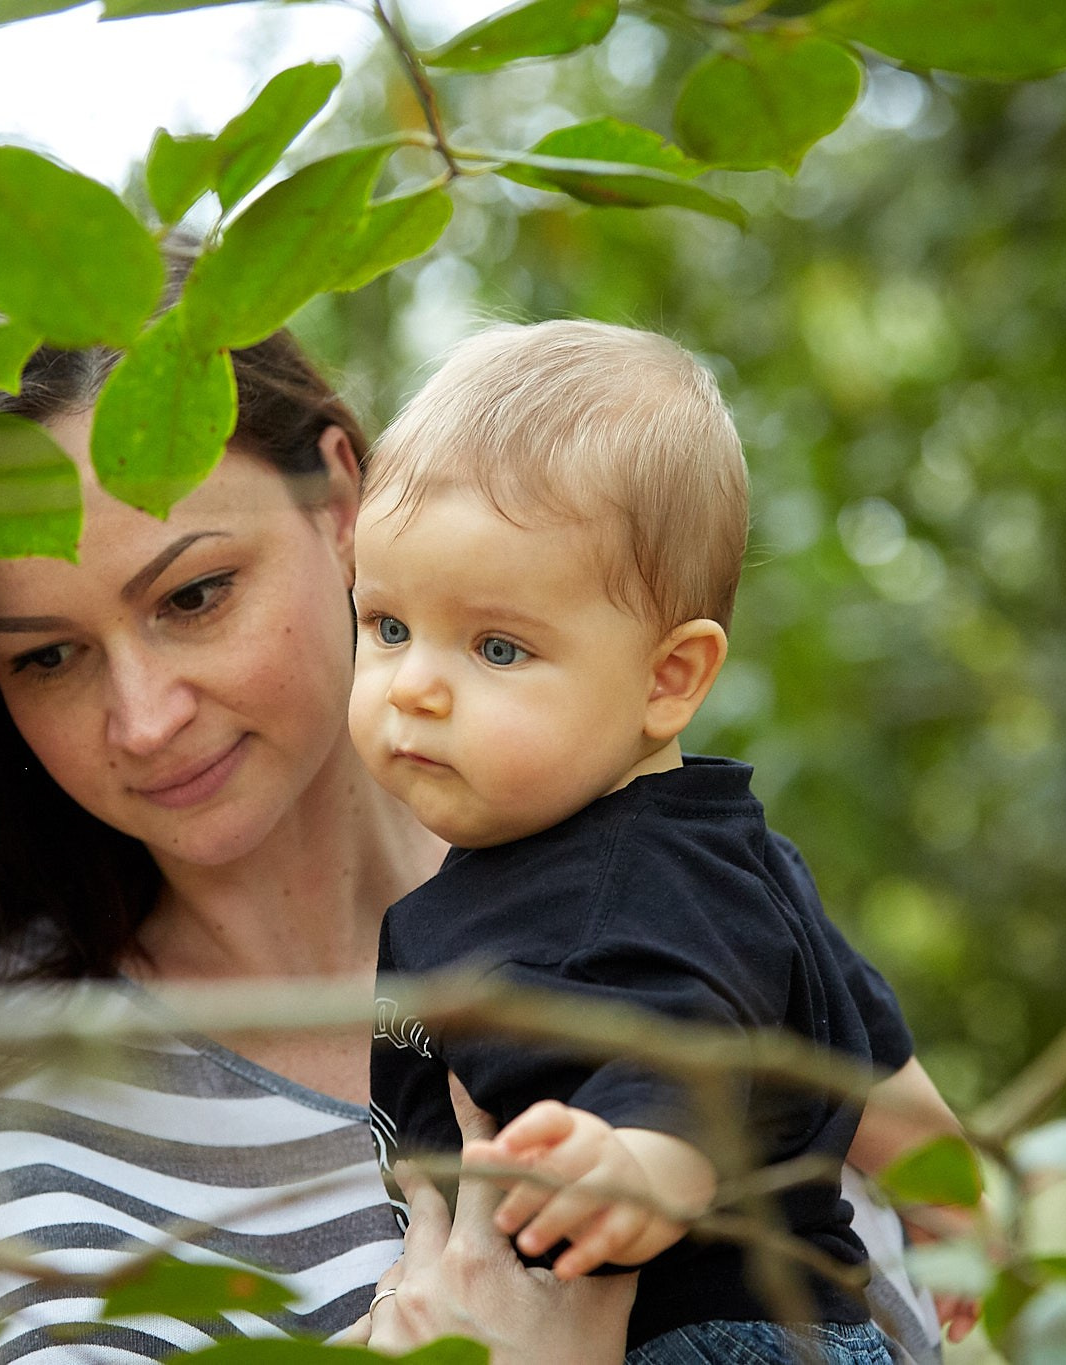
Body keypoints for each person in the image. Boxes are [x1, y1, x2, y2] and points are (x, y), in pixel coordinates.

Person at [0, 288, 958, 1365]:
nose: (145, 720)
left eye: (194, 595)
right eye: (47, 657)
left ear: (338, 507)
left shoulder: (695, 919)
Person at [352, 321, 971, 1364]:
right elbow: (862, 1060)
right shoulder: (726, 856)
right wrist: (953, 1204)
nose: (413, 685)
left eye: (496, 646)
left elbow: (682, 1062)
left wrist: (634, 1169)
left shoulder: (630, 889)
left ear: (667, 679)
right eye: (387, 627)